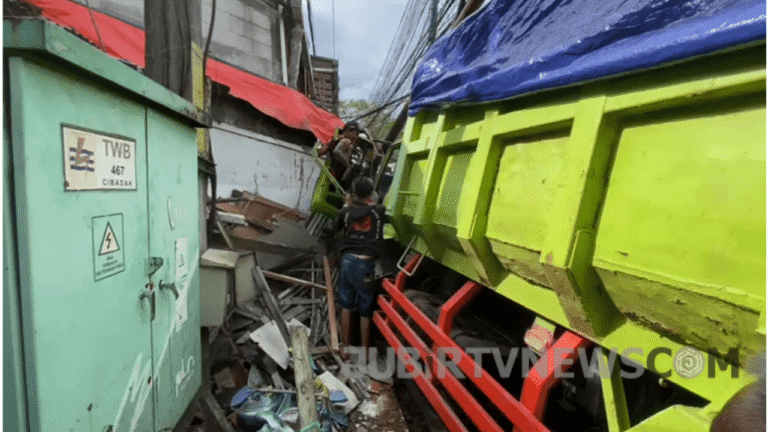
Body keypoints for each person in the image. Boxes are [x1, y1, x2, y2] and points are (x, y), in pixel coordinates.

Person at [333, 176, 387, 361]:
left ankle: (345, 349)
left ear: (353, 193)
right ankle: (365, 353)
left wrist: (346, 206)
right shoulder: (378, 211)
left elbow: (337, 227)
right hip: (365, 263)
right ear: (371, 192)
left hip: (348, 261)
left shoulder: (346, 211)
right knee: (365, 309)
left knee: (345, 305)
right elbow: (376, 209)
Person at [318, 121, 360, 188]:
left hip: (328, 171)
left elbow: (321, 152)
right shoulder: (347, 141)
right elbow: (336, 150)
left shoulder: (336, 138)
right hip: (336, 174)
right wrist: (348, 165)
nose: (357, 136)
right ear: (349, 131)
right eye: (356, 133)